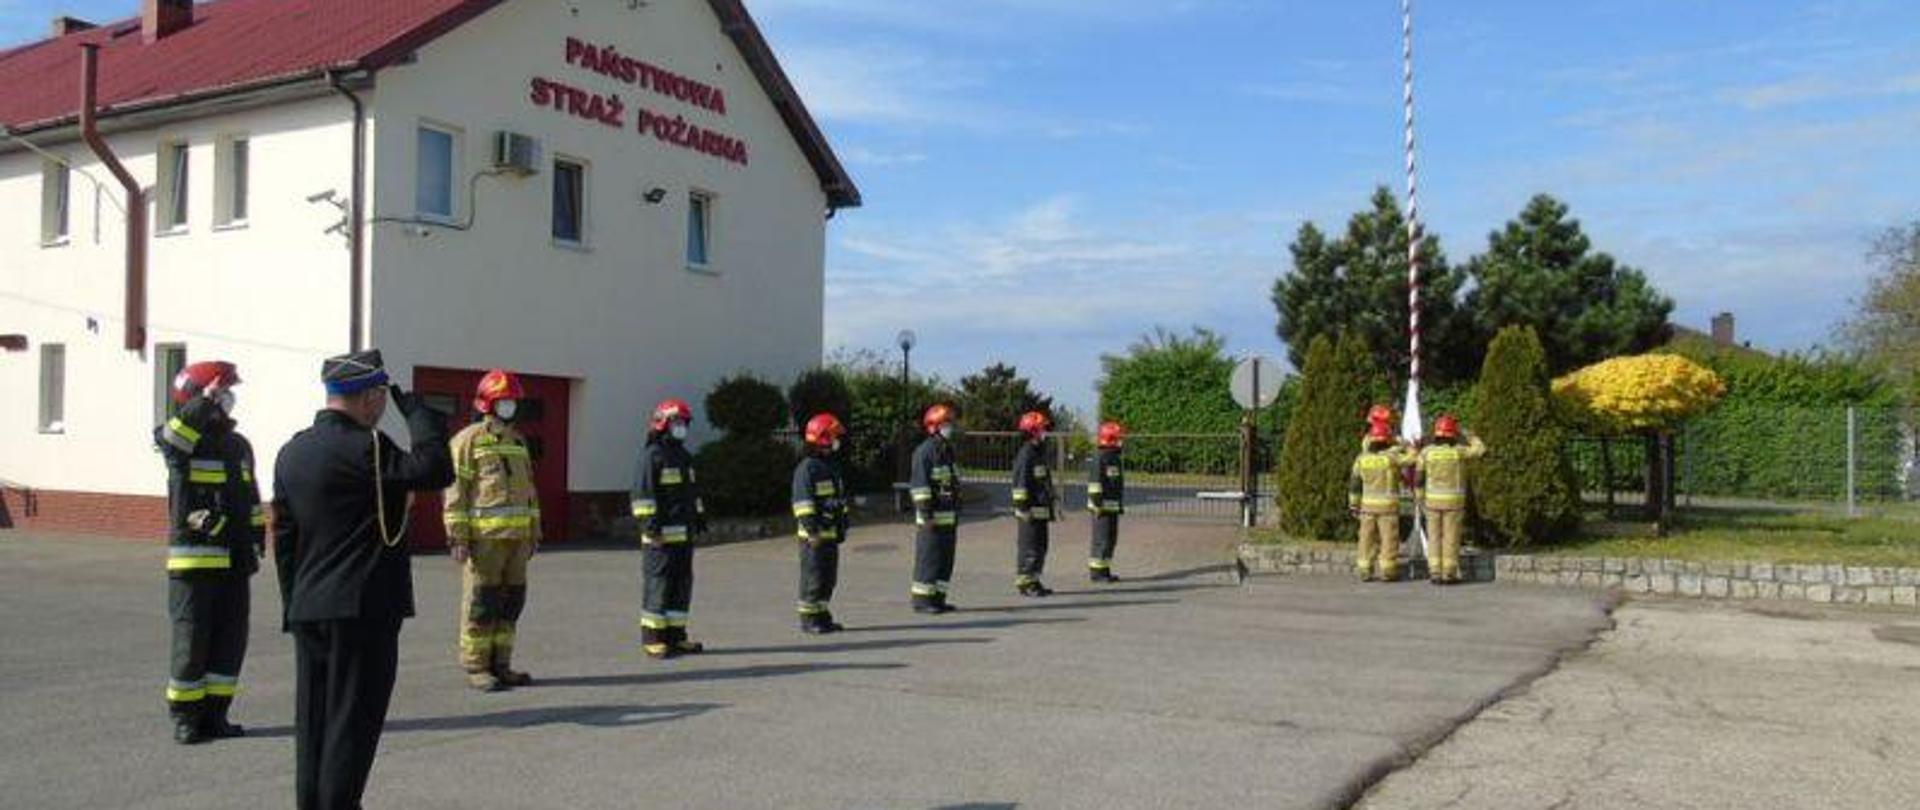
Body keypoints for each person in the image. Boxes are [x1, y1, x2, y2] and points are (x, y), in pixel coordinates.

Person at [272, 350, 454, 810]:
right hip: (363, 609)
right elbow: (435, 470)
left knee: (314, 723)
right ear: (372, 396)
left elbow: (286, 539)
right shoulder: (368, 448)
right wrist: (420, 415)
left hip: (311, 606)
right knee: (351, 724)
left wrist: (293, 604)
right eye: (380, 398)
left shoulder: (292, 451)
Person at [156, 361, 261, 745]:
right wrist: (205, 400)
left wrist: (255, 541)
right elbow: (173, 437)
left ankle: (217, 715)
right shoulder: (182, 442)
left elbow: (250, 499)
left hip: (235, 564)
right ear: (200, 396)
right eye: (222, 393)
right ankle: (186, 718)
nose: (229, 399)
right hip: (195, 564)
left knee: (230, 642)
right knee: (192, 642)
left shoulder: (238, 446)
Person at [443, 369, 541, 691]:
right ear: (487, 403)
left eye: (513, 401)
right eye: (504, 401)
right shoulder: (468, 440)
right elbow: (456, 490)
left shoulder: (517, 441)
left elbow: (529, 491)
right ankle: (476, 666)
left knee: (512, 602)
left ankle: (502, 663)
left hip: (517, 540)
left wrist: (534, 531)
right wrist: (457, 535)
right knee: (482, 603)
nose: (510, 406)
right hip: (485, 541)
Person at [630, 398, 708, 658]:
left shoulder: (684, 457)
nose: (681, 427)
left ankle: (676, 636)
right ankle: (653, 637)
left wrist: (699, 516)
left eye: (684, 423)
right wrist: (651, 529)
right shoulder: (652, 456)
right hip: (659, 539)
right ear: (663, 424)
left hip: (683, 537)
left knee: (681, 585)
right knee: (658, 585)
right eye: (677, 422)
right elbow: (643, 498)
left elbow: (691, 493)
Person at [791, 413, 850, 634]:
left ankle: (822, 615)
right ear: (822, 438)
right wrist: (812, 531)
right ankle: (809, 618)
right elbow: (803, 504)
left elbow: (838, 501)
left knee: (828, 578)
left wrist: (843, 525)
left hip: (830, 533)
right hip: (814, 537)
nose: (837, 441)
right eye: (834, 436)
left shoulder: (830, 467)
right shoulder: (807, 469)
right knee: (813, 577)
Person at [1416, 414, 1487, 585]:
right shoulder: (1459, 452)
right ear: (1452, 434)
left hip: (1432, 501)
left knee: (1434, 537)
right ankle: (1449, 573)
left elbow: (1419, 478)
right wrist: (1469, 434)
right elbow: (1481, 449)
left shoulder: (1426, 452)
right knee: (1451, 537)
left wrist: (1420, 499)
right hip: (1454, 502)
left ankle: (1434, 572)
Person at [1349, 410, 1415, 583]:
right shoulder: (1392, 457)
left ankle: (1364, 569)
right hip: (1388, 507)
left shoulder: (1361, 458)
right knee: (1389, 539)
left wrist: (1354, 504)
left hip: (1367, 506)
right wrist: (1406, 444)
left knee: (1366, 538)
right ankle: (1388, 570)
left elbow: (1355, 484)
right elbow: (1412, 458)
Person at [908, 404, 962, 613]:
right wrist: (926, 513)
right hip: (932, 519)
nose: (951, 427)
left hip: (948, 517)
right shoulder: (925, 452)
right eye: (947, 423)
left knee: (945, 561)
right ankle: (922, 600)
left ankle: (938, 598)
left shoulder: (947, 451)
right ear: (935, 426)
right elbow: (920, 487)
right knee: (929, 560)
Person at [1010, 410, 1057, 597]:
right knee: (1029, 548)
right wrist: (1023, 508)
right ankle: (1025, 582)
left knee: (1040, 547)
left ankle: (1034, 580)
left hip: (1040, 511)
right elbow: (1020, 483)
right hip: (1029, 512)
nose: (1045, 432)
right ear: (1033, 431)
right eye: (1043, 429)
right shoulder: (1026, 454)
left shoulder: (1038, 453)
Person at [1087, 421, 1127, 583]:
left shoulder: (1114, 458)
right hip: (1101, 507)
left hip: (1112, 506)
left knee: (1110, 539)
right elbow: (1095, 485)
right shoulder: (1101, 458)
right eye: (1118, 438)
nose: (1121, 441)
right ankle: (1096, 572)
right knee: (1101, 539)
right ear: (1110, 439)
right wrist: (1097, 505)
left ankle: (1104, 568)